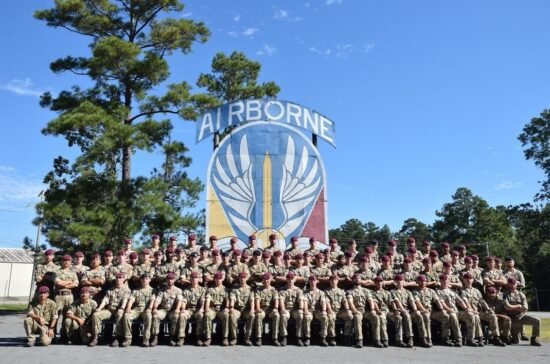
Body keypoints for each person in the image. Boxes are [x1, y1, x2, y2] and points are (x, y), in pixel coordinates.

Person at [89, 272, 131, 347]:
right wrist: (99, 308)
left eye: (120, 277)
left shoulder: (127, 290)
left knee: (120, 314)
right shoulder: (110, 290)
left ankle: (117, 337)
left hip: (119, 310)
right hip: (110, 310)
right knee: (96, 315)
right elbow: (105, 300)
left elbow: (125, 300)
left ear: (124, 279)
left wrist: (122, 308)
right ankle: (95, 337)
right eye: (117, 277)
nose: (118, 279)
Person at [504, 277, 541, 346]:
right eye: (511, 284)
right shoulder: (504, 295)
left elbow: (525, 308)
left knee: (537, 320)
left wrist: (513, 307)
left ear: (516, 284)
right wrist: (518, 305)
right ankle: (513, 336)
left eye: (514, 284)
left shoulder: (521, 294)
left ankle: (534, 339)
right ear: (508, 284)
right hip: (512, 319)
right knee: (516, 341)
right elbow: (507, 307)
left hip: (522, 317)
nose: (512, 285)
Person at [347, 273, 379, 348]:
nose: (357, 279)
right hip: (357, 310)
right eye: (355, 278)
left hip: (366, 311)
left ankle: (376, 340)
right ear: (353, 280)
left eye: (359, 278)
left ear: (361, 280)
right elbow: (350, 302)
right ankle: (359, 340)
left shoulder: (366, 291)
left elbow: (370, 300)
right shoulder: (350, 291)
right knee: (357, 318)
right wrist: (354, 310)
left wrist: (372, 309)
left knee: (375, 317)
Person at [122, 272, 155, 347]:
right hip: (137, 309)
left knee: (148, 316)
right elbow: (131, 300)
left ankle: (146, 339)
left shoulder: (153, 291)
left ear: (149, 280)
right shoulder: (135, 290)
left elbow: (153, 300)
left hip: (146, 309)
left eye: (146, 279)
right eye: (143, 279)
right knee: (127, 315)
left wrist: (150, 308)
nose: (144, 280)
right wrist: (128, 307)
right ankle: (128, 338)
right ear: (140, 280)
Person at [151, 272, 183, 346]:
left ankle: (172, 337)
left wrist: (177, 309)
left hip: (173, 310)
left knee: (176, 316)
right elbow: (158, 300)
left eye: (171, 279)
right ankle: (155, 337)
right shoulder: (162, 290)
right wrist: (155, 307)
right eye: (168, 279)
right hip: (163, 310)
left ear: (174, 280)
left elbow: (179, 301)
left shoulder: (178, 290)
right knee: (155, 315)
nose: (170, 280)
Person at [412, 274, 442, 348]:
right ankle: (425, 338)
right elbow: (417, 302)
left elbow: (437, 300)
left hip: (431, 311)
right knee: (425, 316)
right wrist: (423, 310)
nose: (423, 283)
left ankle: (445, 338)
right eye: (421, 281)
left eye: (424, 281)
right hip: (422, 311)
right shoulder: (415, 291)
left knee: (446, 316)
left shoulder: (431, 291)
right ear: (417, 282)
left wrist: (441, 309)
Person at [55, 254, 79, 342]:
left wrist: (64, 283)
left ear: (70, 262)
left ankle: (64, 336)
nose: (66, 262)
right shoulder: (57, 271)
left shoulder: (73, 273)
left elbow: (76, 284)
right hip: (59, 296)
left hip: (69, 296)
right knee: (55, 316)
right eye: (64, 260)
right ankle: (53, 335)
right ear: (61, 261)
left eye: (68, 260)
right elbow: (58, 283)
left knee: (67, 316)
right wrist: (69, 282)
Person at [227, 271, 255, 345]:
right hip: (237, 309)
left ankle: (247, 338)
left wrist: (252, 309)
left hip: (246, 310)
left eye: (244, 278)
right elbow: (232, 299)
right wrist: (231, 308)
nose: (242, 279)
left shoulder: (250, 289)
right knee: (232, 315)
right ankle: (234, 338)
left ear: (246, 278)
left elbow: (252, 300)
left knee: (252, 315)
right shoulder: (234, 289)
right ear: (239, 278)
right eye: (241, 278)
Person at [435, 274, 463, 347]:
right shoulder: (438, 291)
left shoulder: (452, 291)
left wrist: (467, 308)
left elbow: (459, 301)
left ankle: (472, 338)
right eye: (443, 280)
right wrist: (448, 309)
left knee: (471, 315)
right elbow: (441, 302)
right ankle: (457, 338)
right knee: (451, 316)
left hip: (455, 310)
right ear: (440, 281)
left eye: (446, 280)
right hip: (446, 311)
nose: (445, 281)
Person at [324, 273, 352, 346]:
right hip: (331, 310)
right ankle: (332, 337)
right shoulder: (326, 291)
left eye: (335, 280)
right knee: (330, 317)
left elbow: (344, 301)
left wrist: (347, 309)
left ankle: (346, 336)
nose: (333, 281)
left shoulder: (341, 291)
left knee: (349, 316)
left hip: (340, 311)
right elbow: (326, 302)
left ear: (337, 281)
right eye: (331, 280)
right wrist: (329, 309)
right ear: (329, 281)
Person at [389, 274, 417, 348]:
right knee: (400, 318)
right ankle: (399, 339)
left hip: (406, 310)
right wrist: (402, 310)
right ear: (395, 282)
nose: (399, 282)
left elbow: (412, 302)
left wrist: (415, 310)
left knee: (409, 315)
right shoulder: (392, 292)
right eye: (398, 281)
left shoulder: (408, 292)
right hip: (396, 310)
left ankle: (410, 338)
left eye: (401, 281)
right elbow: (396, 302)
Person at [180, 271, 206, 346]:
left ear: (198, 279)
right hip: (189, 309)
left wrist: (201, 308)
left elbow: (202, 300)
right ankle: (182, 337)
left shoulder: (202, 290)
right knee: (182, 315)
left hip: (198, 309)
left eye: (196, 278)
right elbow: (184, 301)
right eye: (193, 278)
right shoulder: (186, 290)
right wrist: (183, 309)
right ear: (190, 279)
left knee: (200, 315)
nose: (194, 279)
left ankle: (199, 337)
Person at [278, 272, 305, 346]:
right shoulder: (282, 290)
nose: (290, 280)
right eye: (289, 279)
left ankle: (298, 337)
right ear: (286, 279)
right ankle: (284, 337)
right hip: (286, 309)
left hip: (295, 309)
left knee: (300, 315)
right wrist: (283, 309)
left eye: (292, 279)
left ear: (294, 280)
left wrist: (300, 308)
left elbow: (301, 300)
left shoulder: (298, 290)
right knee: (283, 315)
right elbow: (281, 301)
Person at [203, 271, 229, 346]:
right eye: (217, 279)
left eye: (220, 279)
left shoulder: (225, 289)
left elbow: (227, 299)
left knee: (226, 315)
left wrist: (227, 307)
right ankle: (208, 338)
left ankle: (225, 337)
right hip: (212, 309)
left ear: (222, 279)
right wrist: (207, 307)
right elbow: (208, 298)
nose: (218, 280)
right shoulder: (210, 289)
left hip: (221, 309)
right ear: (214, 279)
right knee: (207, 315)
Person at [254, 272, 280, 346]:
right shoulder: (258, 290)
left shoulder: (273, 290)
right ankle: (259, 338)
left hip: (271, 309)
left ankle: (275, 338)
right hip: (262, 309)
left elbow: (276, 300)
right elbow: (257, 300)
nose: (266, 281)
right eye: (264, 279)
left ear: (270, 279)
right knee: (259, 315)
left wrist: (275, 308)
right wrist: (258, 308)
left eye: (267, 279)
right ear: (262, 280)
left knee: (276, 315)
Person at [302, 275, 328, 347]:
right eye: (311, 280)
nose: (313, 282)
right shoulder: (305, 292)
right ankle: (307, 338)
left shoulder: (321, 293)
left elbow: (323, 302)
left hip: (317, 311)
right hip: (309, 310)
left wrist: (323, 311)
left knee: (324, 317)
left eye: (314, 280)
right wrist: (306, 311)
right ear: (309, 282)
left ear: (317, 281)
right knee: (307, 317)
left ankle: (323, 337)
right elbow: (304, 302)